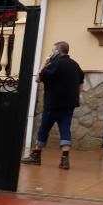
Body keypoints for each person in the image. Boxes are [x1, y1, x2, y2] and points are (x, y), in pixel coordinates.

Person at [21, 41, 84, 170]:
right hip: (69, 105)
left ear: (56, 52)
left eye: (52, 51)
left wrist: (45, 62)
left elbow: (38, 78)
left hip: (53, 104)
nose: (51, 53)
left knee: (44, 128)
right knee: (65, 129)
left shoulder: (55, 64)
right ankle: (65, 159)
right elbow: (80, 86)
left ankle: (36, 156)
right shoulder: (75, 65)